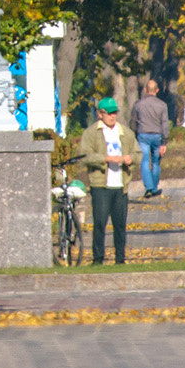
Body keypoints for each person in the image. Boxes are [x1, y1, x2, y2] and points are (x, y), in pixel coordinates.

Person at [74, 98, 134, 264]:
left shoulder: (126, 132)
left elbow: (137, 152)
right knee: (100, 223)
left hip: (121, 185)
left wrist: (131, 158)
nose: (112, 116)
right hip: (101, 184)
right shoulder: (91, 133)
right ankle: (98, 258)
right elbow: (85, 156)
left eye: (114, 112)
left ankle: (120, 258)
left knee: (120, 224)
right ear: (100, 114)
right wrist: (106, 158)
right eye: (108, 113)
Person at [130, 79, 171, 199]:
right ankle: (154, 187)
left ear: (145, 90)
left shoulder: (138, 104)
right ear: (157, 90)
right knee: (156, 162)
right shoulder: (162, 105)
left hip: (143, 134)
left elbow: (133, 122)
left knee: (144, 161)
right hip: (157, 135)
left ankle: (148, 187)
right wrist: (165, 141)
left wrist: (134, 133)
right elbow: (165, 124)